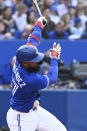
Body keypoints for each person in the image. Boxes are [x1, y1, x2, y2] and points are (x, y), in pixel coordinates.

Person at [6, 16, 67, 131]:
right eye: (34, 60)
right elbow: (53, 77)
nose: (37, 61)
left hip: (34, 111)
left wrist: (39, 25)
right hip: (20, 117)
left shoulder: (21, 57)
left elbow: (33, 40)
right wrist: (54, 58)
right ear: (26, 63)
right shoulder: (30, 79)